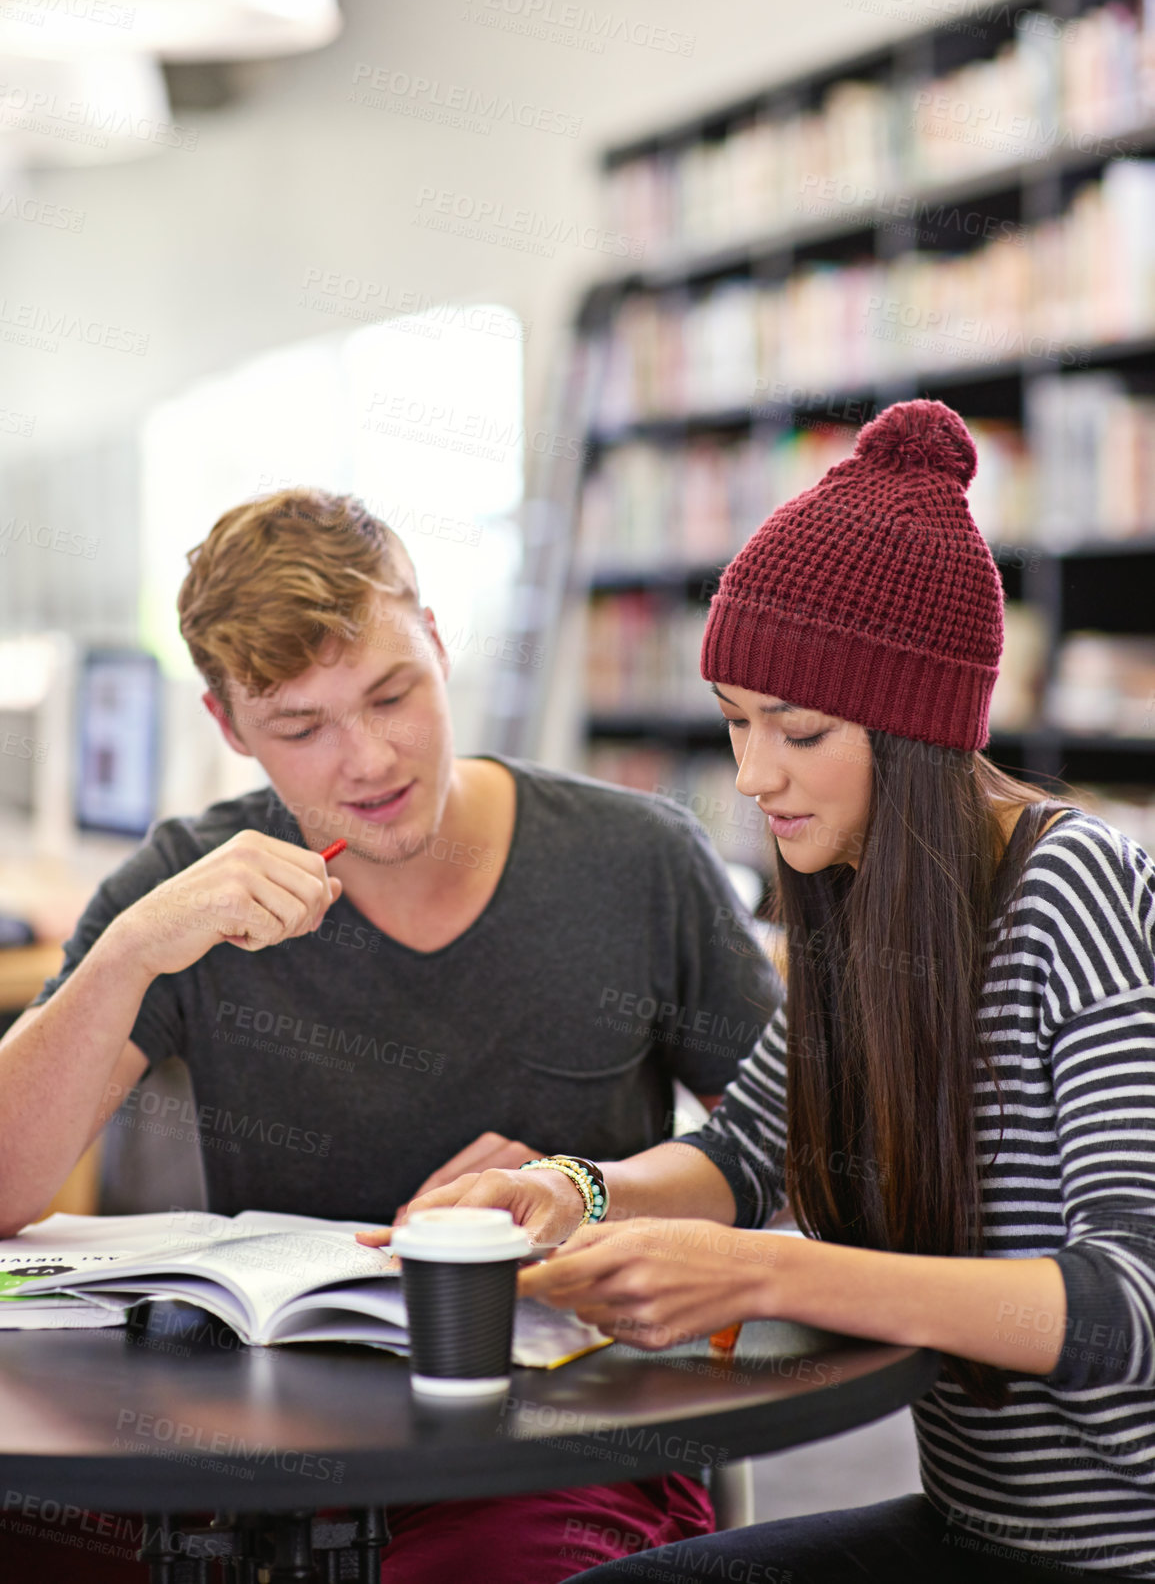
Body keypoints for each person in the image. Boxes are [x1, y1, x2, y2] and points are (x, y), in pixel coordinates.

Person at [374, 401, 1155, 1582]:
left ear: (917, 734)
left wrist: (758, 1268)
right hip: (979, 1530)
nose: (751, 775)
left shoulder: (1075, 887)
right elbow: (743, 1155)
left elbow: (1128, 1307)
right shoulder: (854, 896)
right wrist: (571, 1189)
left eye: (798, 731)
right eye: (737, 724)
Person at [0, 488, 783, 1581]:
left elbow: (796, 1144)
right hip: (262, 1445)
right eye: (302, 728)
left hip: (563, 1436)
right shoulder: (192, 883)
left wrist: (588, 1183)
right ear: (228, 728)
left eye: (391, 693)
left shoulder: (640, 860)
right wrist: (130, 951)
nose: (367, 758)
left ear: (440, 647)